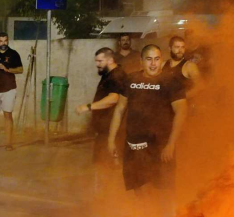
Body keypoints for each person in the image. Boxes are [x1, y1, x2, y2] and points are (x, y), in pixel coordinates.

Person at [114, 44, 188, 195]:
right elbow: (120, 109)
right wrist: (111, 139)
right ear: (141, 61)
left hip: (160, 146)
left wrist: (171, 144)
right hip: (134, 146)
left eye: (157, 59)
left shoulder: (171, 81)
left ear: (161, 60)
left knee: (163, 190)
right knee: (138, 189)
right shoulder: (131, 79)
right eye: (149, 59)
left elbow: (181, 111)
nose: (153, 64)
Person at [75, 47, 125, 187]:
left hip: (112, 131)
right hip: (104, 130)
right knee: (102, 163)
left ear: (110, 60)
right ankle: (102, 195)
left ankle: (107, 197)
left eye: (100, 61)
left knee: (107, 164)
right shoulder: (108, 74)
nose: (97, 64)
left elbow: (114, 98)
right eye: (96, 61)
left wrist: (88, 107)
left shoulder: (117, 76)